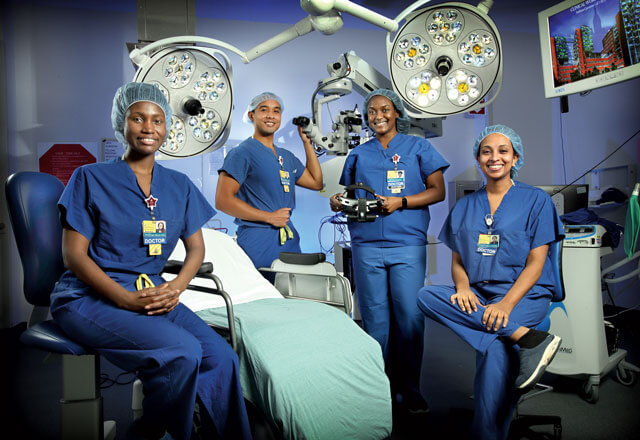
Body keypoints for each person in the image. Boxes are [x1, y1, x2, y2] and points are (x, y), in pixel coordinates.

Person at [49, 82, 252, 440]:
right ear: (121, 124)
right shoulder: (90, 177)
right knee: (182, 353)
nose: (148, 127)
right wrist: (123, 298)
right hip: (87, 297)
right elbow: (73, 256)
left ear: (168, 127)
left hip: (152, 292)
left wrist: (176, 286)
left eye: (157, 120)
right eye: (138, 118)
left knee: (221, 358)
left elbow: (197, 250)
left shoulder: (179, 185)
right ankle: (149, 433)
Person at [417, 125, 564, 440]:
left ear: (515, 158)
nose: (494, 157)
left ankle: (486, 434)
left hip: (524, 295)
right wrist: (463, 287)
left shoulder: (536, 200)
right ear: (478, 159)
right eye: (486, 151)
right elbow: (457, 261)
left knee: (496, 347)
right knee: (427, 296)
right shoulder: (467, 205)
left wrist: (507, 303)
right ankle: (526, 339)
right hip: (479, 296)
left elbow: (537, 263)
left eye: (502, 151)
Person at [329, 88, 449, 414]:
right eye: (371, 111)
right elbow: (348, 192)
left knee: (410, 318)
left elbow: (438, 191)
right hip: (366, 246)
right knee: (375, 321)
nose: (377, 115)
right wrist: (338, 201)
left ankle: (410, 389)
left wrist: (402, 201)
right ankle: (377, 388)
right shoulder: (358, 154)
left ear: (396, 113)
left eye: (384, 109)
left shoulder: (418, 147)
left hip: (406, 245)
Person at [216, 92, 323, 274]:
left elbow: (316, 182)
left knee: (293, 295)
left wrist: (307, 144)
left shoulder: (286, 157)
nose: (271, 115)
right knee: (262, 294)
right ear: (252, 115)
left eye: (276, 111)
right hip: (257, 239)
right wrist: (268, 217)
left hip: (288, 240)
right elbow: (222, 200)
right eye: (263, 110)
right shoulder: (242, 153)